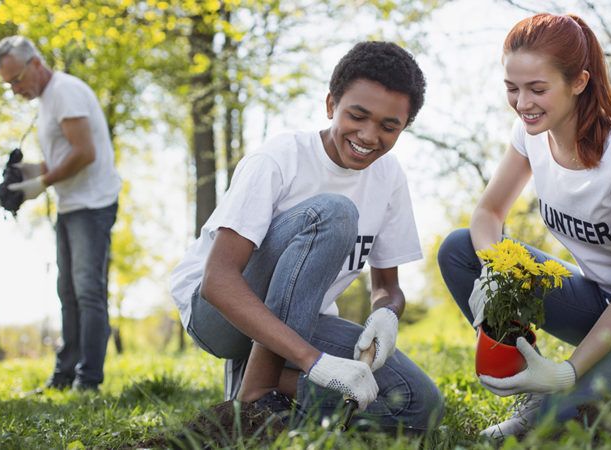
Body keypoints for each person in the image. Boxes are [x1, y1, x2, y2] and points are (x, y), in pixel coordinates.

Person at [437, 13, 611, 438]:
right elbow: (488, 215)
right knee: (462, 250)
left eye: (537, 89)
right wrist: (495, 269)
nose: (522, 103)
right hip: (603, 299)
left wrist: (569, 373)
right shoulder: (530, 131)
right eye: (512, 89)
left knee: (569, 426)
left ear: (579, 82)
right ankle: (532, 379)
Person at [169, 41, 444, 430]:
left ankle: (268, 388)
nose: (368, 136)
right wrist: (315, 361)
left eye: (388, 126)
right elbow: (217, 282)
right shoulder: (280, 159)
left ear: (403, 127)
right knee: (333, 213)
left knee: (419, 406)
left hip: (302, 319)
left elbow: (387, 285)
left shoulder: (389, 177)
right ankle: (256, 398)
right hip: (219, 316)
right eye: (358, 115)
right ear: (331, 105)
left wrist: (387, 313)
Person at [0, 36, 121, 393]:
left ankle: (88, 380)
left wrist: (42, 183)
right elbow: (66, 152)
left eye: (17, 79)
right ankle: (65, 376)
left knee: (88, 292)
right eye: (9, 85)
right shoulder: (48, 100)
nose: (15, 89)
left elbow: (84, 153)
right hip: (71, 205)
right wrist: (32, 172)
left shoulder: (65, 92)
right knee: (67, 291)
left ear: (35, 63)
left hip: (92, 205)